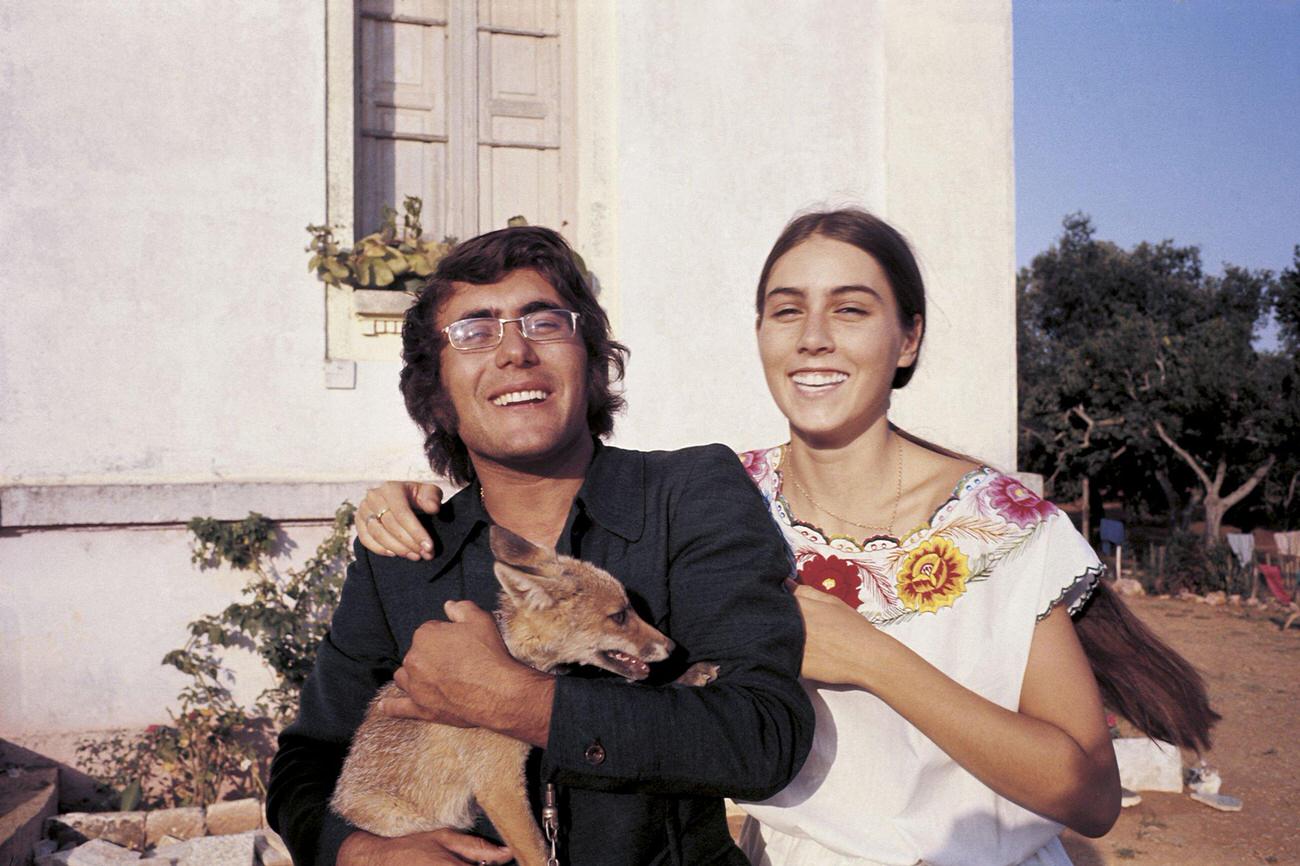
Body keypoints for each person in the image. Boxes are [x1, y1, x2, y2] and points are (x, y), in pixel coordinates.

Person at [359, 209, 1218, 866]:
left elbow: (1091, 797)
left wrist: (872, 658)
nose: (813, 338)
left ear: (907, 337)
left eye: (851, 309)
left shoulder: (1001, 525)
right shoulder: (718, 503)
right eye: (785, 311)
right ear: (762, 336)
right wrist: (420, 501)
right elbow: (564, 539)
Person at [266, 225, 815, 866]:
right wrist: (359, 853)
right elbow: (307, 762)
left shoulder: (687, 495)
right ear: (437, 392)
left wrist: (518, 700)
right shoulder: (409, 554)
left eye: (544, 322)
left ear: (590, 358)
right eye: (474, 331)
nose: (514, 353)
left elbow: (764, 739)